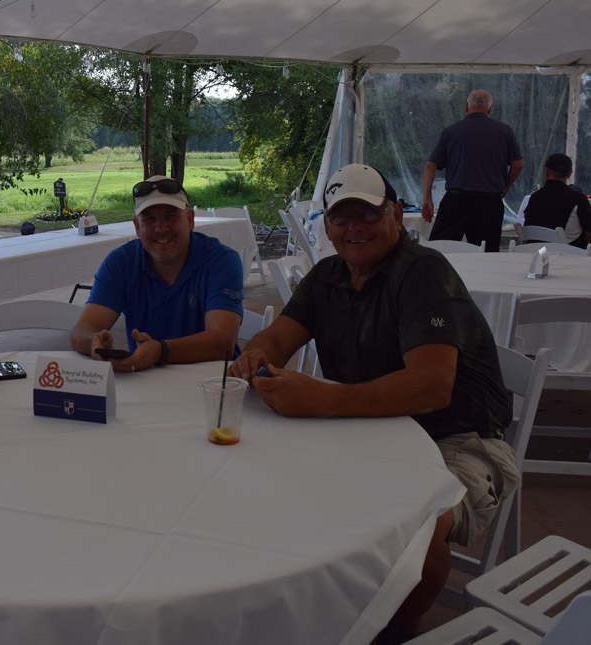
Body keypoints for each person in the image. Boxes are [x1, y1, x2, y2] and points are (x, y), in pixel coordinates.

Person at [231, 164, 519, 641]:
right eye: (341, 217)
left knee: (420, 521)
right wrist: (256, 354)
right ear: (326, 226)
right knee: (265, 480)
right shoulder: (328, 276)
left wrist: (322, 398)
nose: (354, 227)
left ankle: (397, 629)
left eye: (367, 213)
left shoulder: (423, 272)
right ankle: (315, 605)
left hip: (461, 438)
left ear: (396, 216)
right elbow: (278, 337)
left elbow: (432, 387)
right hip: (364, 428)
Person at [70, 175, 243, 371]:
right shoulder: (121, 263)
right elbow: (81, 330)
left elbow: (223, 342)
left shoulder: (221, 261)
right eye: (150, 219)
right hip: (145, 381)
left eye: (171, 216)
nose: (161, 228)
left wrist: (160, 351)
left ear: (190, 220)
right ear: (137, 227)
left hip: (213, 382)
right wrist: (94, 342)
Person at [422, 89, 523, 252]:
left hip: (456, 201)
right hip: (489, 202)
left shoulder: (451, 131)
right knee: (487, 253)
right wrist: (506, 187)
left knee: (441, 250)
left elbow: (430, 165)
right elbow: (517, 164)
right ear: (490, 109)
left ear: (466, 106)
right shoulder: (505, 131)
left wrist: (427, 198)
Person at [522, 153, 591, 249]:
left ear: (546, 172)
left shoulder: (535, 198)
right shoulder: (579, 199)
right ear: (570, 173)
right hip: (569, 255)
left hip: (535, 253)